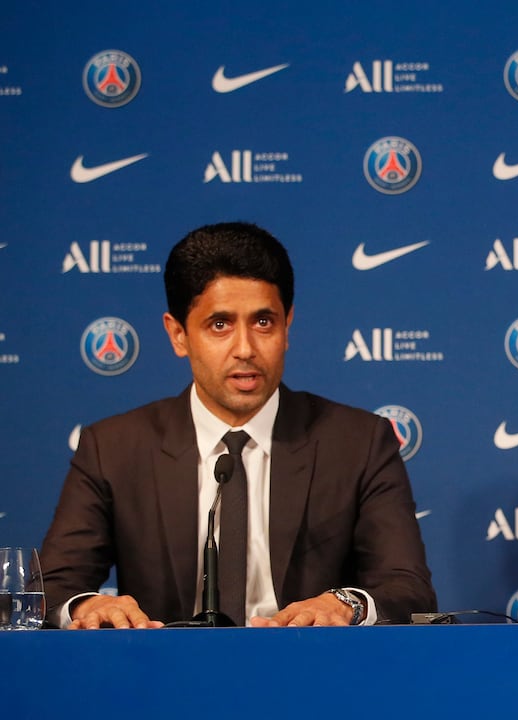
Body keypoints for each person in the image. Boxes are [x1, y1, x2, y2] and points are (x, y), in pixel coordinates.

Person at [40, 222, 437, 628]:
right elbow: (52, 588)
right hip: (166, 666)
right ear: (178, 334)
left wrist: (345, 604)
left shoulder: (359, 443)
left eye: (264, 322)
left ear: (287, 326)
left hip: (309, 661)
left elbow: (407, 587)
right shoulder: (113, 449)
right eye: (220, 325)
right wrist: (85, 607)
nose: (245, 349)